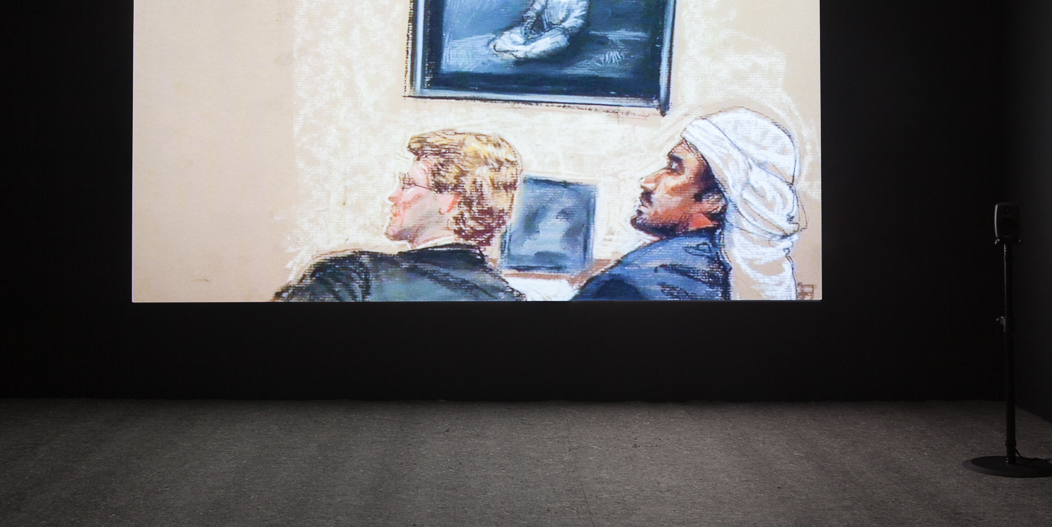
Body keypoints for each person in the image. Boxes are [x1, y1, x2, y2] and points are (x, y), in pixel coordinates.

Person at [574, 108, 803, 301]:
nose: (648, 182)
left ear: (715, 200)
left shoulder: (627, 284)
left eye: (675, 169)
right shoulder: (732, 268)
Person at [274, 131, 526, 301]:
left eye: (407, 184)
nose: (393, 196)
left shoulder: (354, 276)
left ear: (451, 199)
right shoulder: (507, 296)